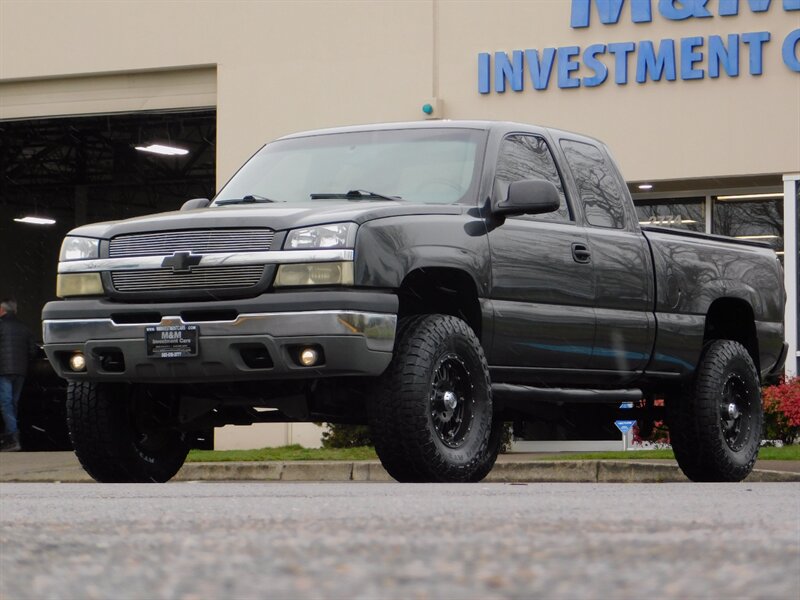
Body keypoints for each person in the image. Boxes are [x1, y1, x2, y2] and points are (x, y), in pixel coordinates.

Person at [0, 298, 37, 452]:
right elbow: (33, 351)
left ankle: (12, 437)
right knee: (12, 403)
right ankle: (12, 436)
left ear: (2, 311)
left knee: (5, 403)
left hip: (3, 370)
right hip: (20, 371)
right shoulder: (24, 327)